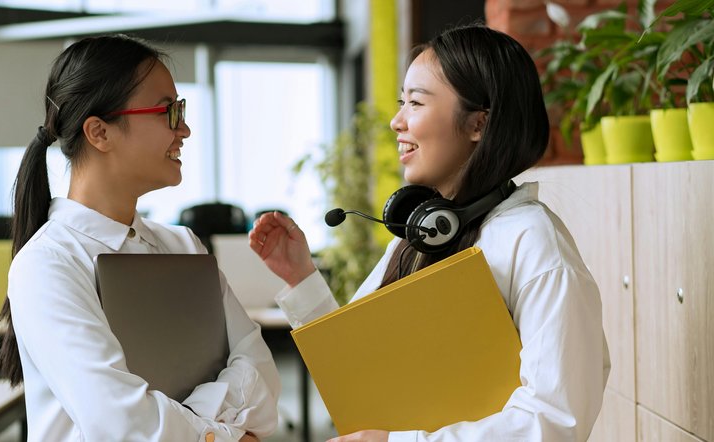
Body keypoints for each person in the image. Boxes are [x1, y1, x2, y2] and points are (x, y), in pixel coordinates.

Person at [249, 24, 609, 441]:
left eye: (415, 103)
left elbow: (554, 420)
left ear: (478, 124)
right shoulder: (419, 235)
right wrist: (301, 277)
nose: (395, 120)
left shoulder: (534, 243)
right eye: (402, 102)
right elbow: (358, 365)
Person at [0, 35, 280, 441]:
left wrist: (199, 427)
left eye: (180, 110)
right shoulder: (48, 264)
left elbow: (262, 373)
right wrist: (228, 433)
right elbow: (121, 424)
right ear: (99, 132)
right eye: (168, 111)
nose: (184, 129)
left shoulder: (184, 246)